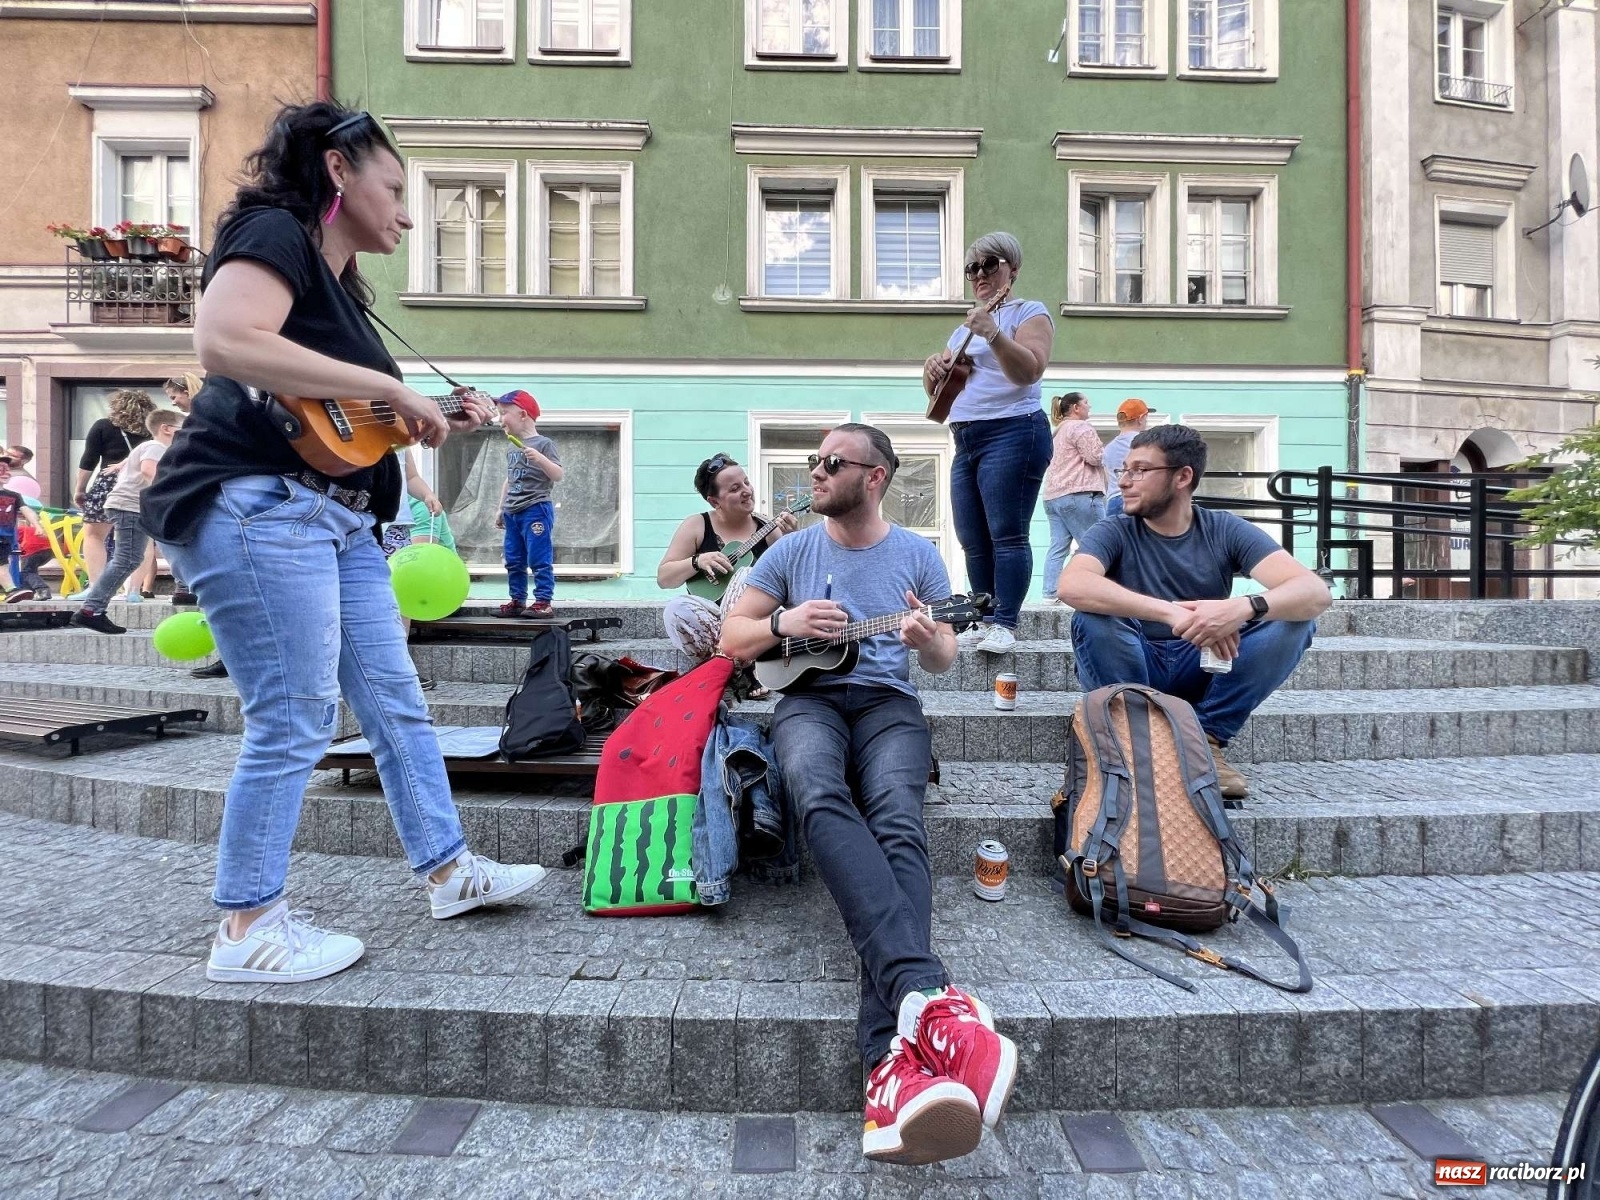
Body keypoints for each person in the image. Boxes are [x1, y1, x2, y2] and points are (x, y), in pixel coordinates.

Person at [141, 100, 544, 985]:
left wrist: (427, 417)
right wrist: (389, 389)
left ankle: (449, 870)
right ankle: (248, 928)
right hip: (258, 505)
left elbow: (342, 425)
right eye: (394, 189)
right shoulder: (274, 233)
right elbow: (224, 339)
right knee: (294, 715)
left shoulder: (345, 299)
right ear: (337, 169)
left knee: (398, 703)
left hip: (339, 519)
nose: (406, 213)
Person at [720, 423, 1018, 1166]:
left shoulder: (917, 554)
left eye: (830, 462)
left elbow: (945, 656)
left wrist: (929, 640)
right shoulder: (791, 552)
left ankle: (889, 1061)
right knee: (816, 791)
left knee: (897, 820)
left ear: (875, 476)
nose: (815, 472)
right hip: (807, 701)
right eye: (814, 460)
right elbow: (734, 638)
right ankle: (923, 1000)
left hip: (889, 703)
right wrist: (784, 620)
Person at [1058, 424, 1331, 800]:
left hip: (1203, 663)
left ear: (1182, 477)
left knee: (1293, 621)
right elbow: (1072, 585)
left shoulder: (1224, 529)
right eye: (1124, 469)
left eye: (1140, 470)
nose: (1123, 481)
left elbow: (1315, 592)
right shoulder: (1113, 530)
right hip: (1133, 662)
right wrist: (1174, 614)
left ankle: (1205, 738)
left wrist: (1242, 608)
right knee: (1091, 618)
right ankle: (1141, 741)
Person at [922, 232, 1054, 655]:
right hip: (966, 437)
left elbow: (1029, 372)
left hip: (1013, 430)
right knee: (972, 537)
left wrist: (994, 333)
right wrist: (931, 370)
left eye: (990, 264)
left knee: (1007, 534)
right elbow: (941, 392)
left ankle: (1006, 622)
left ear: (1012, 269)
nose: (980, 274)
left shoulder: (1029, 313)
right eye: (972, 268)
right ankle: (983, 617)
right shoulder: (962, 329)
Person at [657, 452, 797, 662]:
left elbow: (794, 581)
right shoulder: (697, 525)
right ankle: (732, 665)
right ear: (714, 501)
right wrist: (697, 561)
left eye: (746, 482)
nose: (747, 491)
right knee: (675, 609)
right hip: (712, 619)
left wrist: (792, 539)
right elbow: (664, 578)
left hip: (754, 625)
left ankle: (729, 664)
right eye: (735, 489)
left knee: (747, 574)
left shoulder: (769, 529)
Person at [71, 409, 183, 633]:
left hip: (130, 507)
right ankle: (91, 611)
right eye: (183, 428)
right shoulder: (155, 447)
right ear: (167, 429)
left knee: (130, 559)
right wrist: (169, 494)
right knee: (126, 559)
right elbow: (149, 471)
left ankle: (92, 609)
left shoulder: (152, 448)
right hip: (129, 507)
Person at [493, 390, 562, 618]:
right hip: (513, 511)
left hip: (535, 508)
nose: (500, 419)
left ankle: (543, 601)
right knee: (513, 559)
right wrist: (501, 508)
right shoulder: (512, 446)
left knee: (538, 557)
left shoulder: (544, 444)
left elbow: (558, 474)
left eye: (504, 413)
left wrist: (540, 458)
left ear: (522, 414)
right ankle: (517, 600)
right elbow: (510, 478)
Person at [75, 388, 154, 584]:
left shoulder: (103, 426)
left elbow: (88, 461)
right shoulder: (153, 431)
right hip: (143, 485)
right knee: (143, 539)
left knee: (94, 535)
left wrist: (80, 489)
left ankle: (96, 585)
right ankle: (134, 590)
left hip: (109, 483)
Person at [1041, 392, 1105, 601]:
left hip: (1053, 496)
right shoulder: (1081, 427)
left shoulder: (1057, 432)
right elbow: (1095, 457)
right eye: (1086, 402)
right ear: (1076, 408)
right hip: (1079, 493)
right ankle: (1096, 591)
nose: (1090, 405)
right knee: (1098, 544)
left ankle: (1050, 592)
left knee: (1058, 547)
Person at [1103, 398, 1154, 517]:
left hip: (1112, 501)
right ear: (1140, 419)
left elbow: (1107, 479)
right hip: (1134, 498)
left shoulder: (1108, 448)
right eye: (1146, 417)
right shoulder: (1143, 443)